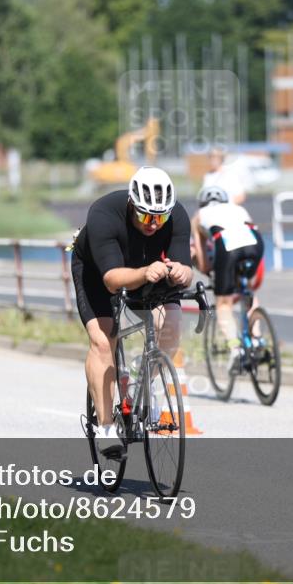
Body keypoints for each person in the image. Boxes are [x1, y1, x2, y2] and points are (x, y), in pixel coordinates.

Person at [70, 166, 193, 458]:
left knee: (172, 322)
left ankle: (143, 378)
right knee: (103, 342)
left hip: (147, 270)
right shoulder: (103, 214)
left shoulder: (176, 215)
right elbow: (111, 280)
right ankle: (106, 426)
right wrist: (145, 272)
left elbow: (188, 269)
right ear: (131, 204)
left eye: (160, 217)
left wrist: (182, 273)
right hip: (98, 272)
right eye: (145, 216)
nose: (153, 224)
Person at [191, 185, 265, 367]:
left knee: (224, 304)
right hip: (255, 243)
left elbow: (203, 262)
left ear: (202, 203)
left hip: (227, 245)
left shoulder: (198, 216)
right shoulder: (238, 208)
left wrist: (208, 271)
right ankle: (257, 338)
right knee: (246, 290)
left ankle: (235, 349)